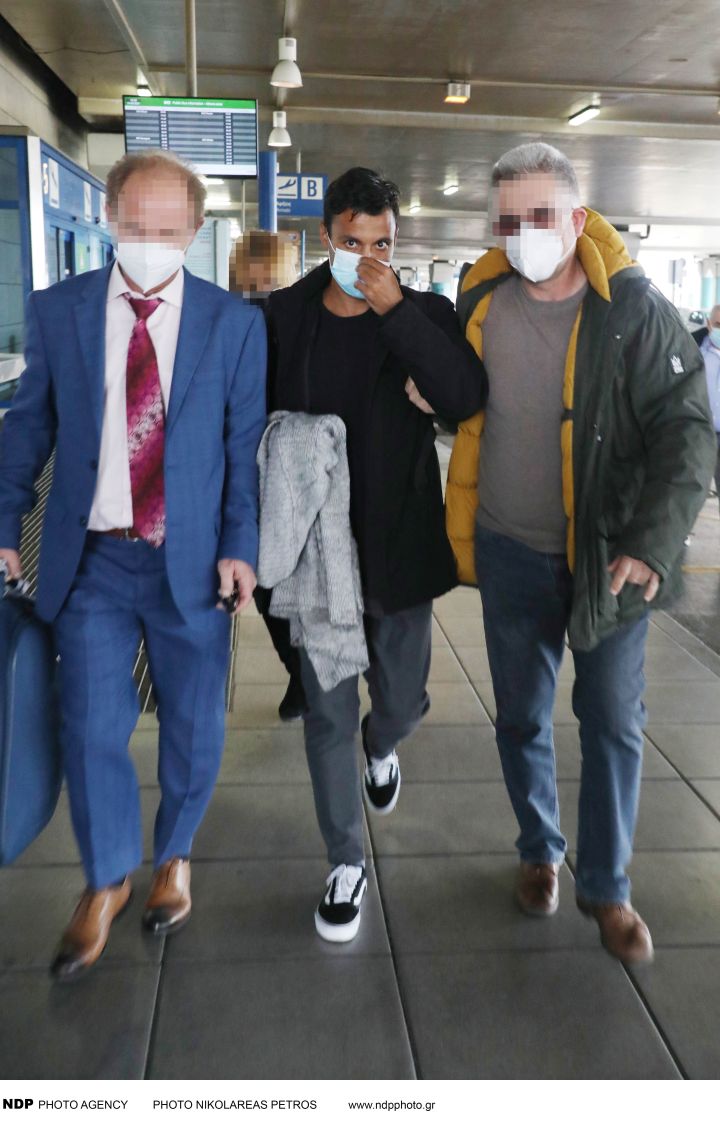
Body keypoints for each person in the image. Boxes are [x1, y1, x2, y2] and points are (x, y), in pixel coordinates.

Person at [0, 150, 267, 980]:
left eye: (167, 229)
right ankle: (107, 876)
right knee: (89, 724)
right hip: (93, 561)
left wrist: (241, 544)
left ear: (193, 228)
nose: (150, 242)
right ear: (110, 219)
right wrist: (4, 521)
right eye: (135, 226)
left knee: (194, 722)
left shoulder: (233, 324)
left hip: (192, 561)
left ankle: (174, 854)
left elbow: (242, 447)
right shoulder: (61, 311)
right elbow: (26, 426)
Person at [446, 142, 715, 964]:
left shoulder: (632, 309)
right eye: (509, 220)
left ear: (576, 216)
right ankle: (539, 850)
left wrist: (651, 544)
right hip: (508, 548)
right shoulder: (481, 297)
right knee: (521, 716)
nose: (524, 233)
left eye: (541, 215)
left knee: (612, 722)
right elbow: (463, 400)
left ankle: (607, 886)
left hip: (608, 559)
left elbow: (686, 432)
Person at [266, 167, 487, 942]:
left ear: (397, 243)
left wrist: (397, 314)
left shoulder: (424, 313)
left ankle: (383, 744)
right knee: (326, 714)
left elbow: (464, 396)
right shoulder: (286, 315)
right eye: (353, 241)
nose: (367, 257)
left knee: (399, 699)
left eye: (382, 243)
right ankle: (344, 861)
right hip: (319, 556)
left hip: (397, 546)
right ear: (326, 237)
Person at [692, 305, 720, 512]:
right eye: (718, 324)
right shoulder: (693, 348)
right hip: (699, 431)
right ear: (709, 324)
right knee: (690, 488)